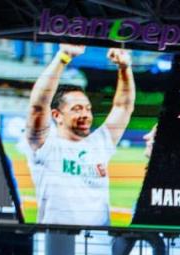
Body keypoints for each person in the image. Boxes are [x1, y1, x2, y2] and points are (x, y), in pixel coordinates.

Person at [23, 43, 135, 226]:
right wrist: (63, 56)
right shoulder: (46, 146)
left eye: (88, 109)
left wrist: (124, 67)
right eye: (76, 109)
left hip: (101, 244)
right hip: (55, 242)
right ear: (57, 115)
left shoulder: (100, 143)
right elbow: (38, 106)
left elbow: (123, 106)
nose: (85, 114)